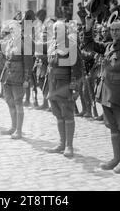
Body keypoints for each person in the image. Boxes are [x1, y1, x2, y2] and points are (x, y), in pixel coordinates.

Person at [83, 18, 120, 173]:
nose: (115, 32)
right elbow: (89, 45)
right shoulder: (108, 47)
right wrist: (88, 27)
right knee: (113, 127)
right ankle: (116, 158)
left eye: (118, 30)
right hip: (106, 94)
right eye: (112, 30)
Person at [46, 20, 82, 158]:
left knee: (67, 115)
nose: (55, 33)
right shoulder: (53, 45)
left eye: (58, 30)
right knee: (58, 115)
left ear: (65, 31)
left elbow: (77, 68)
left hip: (65, 85)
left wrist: (75, 88)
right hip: (53, 85)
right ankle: (61, 143)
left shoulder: (71, 45)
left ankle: (69, 146)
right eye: (54, 30)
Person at [0, 20, 33, 139]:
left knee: (18, 103)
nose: (12, 31)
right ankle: (13, 127)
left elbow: (28, 64)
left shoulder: (24, 44)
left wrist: (26, 79)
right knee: (10, 102)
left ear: (19, 30)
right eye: (11, 30)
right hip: (8, 76)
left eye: (14, 29)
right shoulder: (10, 42)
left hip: (19, 77)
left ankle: (19, 131)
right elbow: (7, 58)